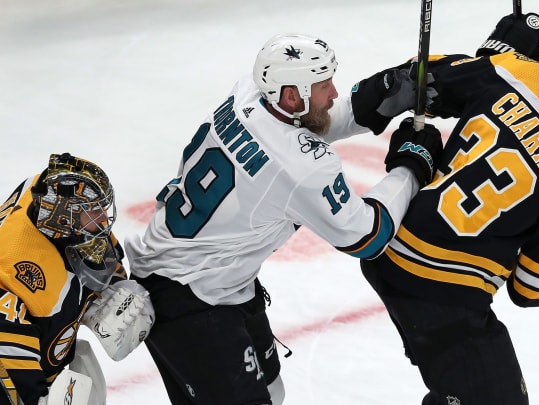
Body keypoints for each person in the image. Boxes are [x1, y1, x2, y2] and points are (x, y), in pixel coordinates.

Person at [123, 32, 443, 404]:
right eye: (325, 86)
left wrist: (381, 95)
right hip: (190, 300)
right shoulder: (299, 167)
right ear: (292, 95)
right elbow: (368, 235)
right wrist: (411, 166)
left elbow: (305, 127)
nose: (335, 94)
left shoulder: (249, 93)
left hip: (218, 280)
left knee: (272, 393)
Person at [359, 14, 539, 404]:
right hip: (442, 291)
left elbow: (423, 79)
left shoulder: (516, 72)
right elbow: (533, 289)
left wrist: (498, 53)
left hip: (390, 244)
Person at [0, 153, 154, 405]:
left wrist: (112, 287)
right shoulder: (22, 278)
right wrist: (36, 398)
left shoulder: (44, 195)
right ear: (64, 217)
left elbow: (103, 255)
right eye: (94, 212)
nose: (104, 219)